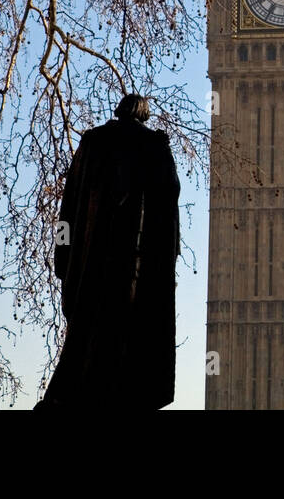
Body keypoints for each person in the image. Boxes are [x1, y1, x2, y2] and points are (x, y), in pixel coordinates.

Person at [36, 94, 180, 409]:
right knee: (128, 336)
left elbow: (68, 207)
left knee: (86, 332)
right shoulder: (154, 146)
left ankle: (71, 395)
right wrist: (170, 256)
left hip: (90, 263)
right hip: (135, 261)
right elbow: (169, 206)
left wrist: (63, 258)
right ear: (143, 115)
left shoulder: (92, 144)